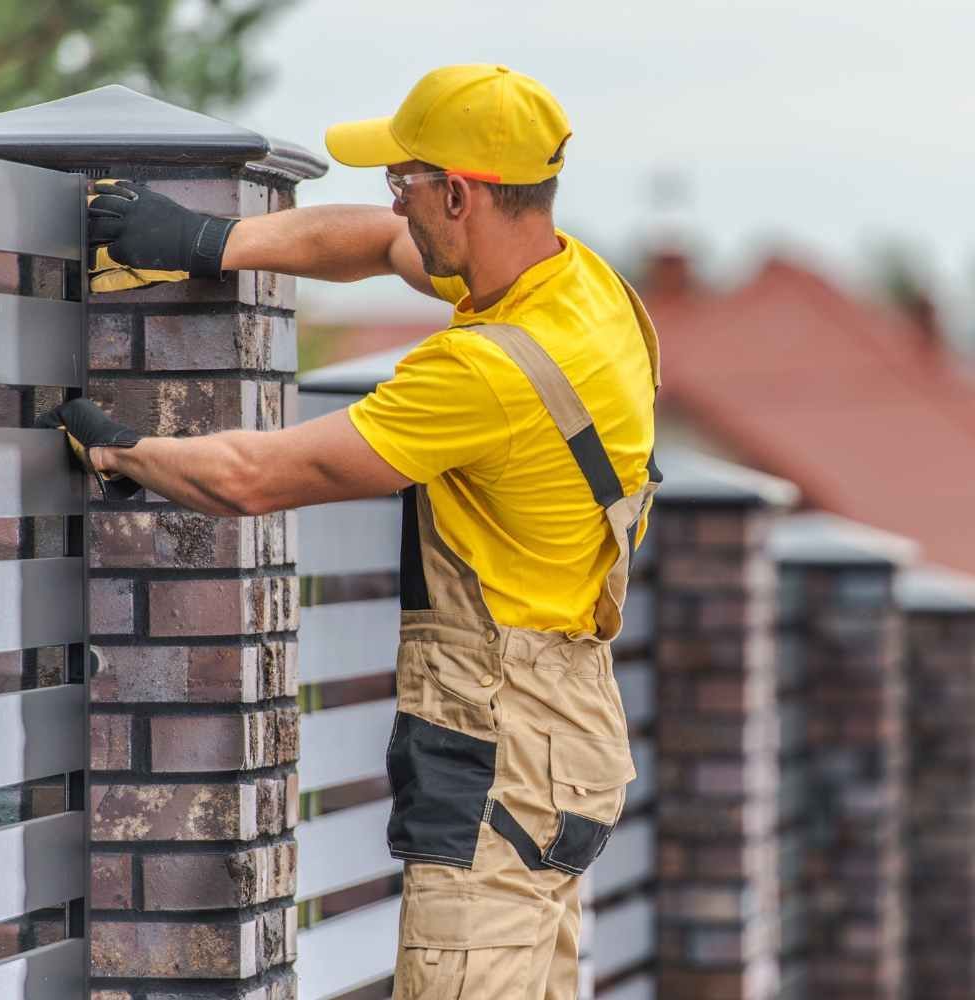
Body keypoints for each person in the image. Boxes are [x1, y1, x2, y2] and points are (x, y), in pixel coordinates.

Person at [41, 63, 661, 999]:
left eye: (403, 182)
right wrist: (212, 240)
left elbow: (257, 478)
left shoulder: (484, 372)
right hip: (563, 737)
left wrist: (125, 451)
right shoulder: (578, 292)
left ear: (461, 193)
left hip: (497, 747)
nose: (395, 203)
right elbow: (379, 246)